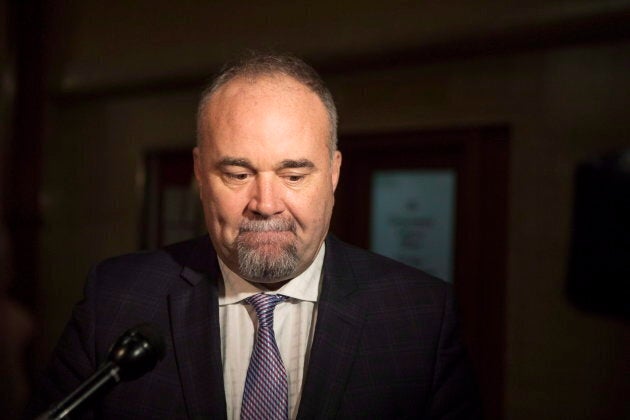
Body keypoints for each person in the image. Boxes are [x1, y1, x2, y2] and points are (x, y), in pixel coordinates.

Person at [28, 52, 481, 419]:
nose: (265, 203)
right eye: (239, 173)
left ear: (335, 174)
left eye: (294, 175)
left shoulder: (421, 316)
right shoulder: (115, 300)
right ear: (200, 176)